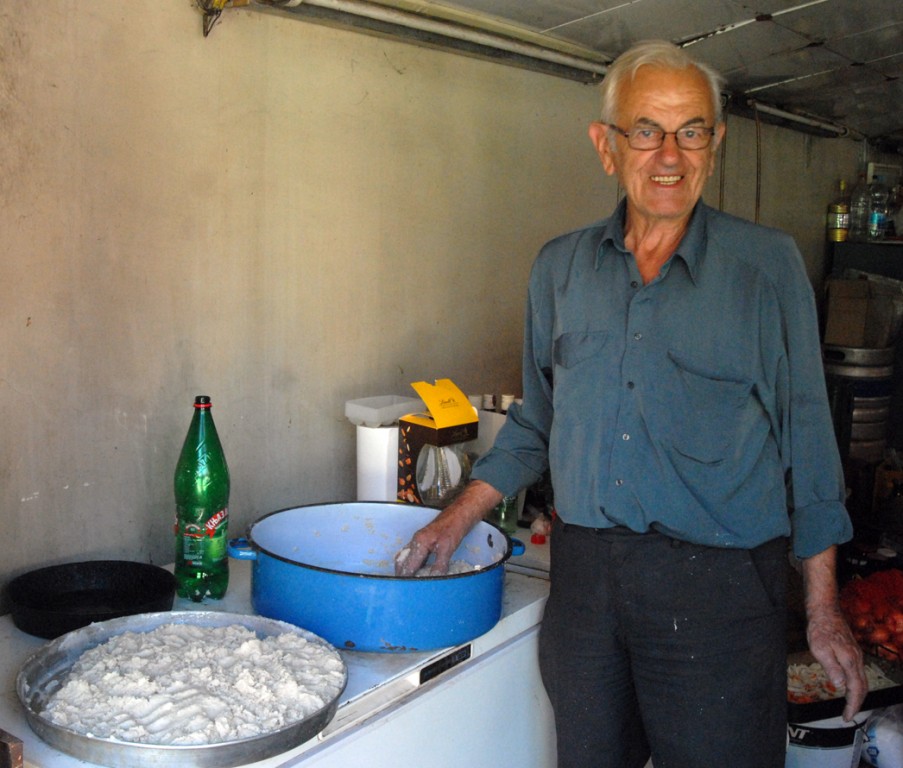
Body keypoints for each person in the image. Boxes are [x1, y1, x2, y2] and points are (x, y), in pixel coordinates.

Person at [395, 39, 867, 767]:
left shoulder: (764, 267)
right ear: (606, 146)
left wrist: (822, 609)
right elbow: (537, 418)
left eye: (691, 131)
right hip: (587, 585)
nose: (669, 155)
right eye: (646, 131)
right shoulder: (559, 268)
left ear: (715, 143)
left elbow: (807, 437)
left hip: (720, 588)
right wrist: (455, 518)